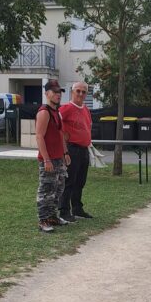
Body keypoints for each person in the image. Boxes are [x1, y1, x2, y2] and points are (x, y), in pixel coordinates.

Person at [36, 79, 70, 233]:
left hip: (59, 158)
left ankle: (52, 216)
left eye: (59, 92)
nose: (58, 95)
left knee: (58, 188)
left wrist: (65, 153)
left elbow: (61, 134)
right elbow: (39, 137)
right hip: (48, 159)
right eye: (54, 92)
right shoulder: (44, 112)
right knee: (46, 190)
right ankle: (43, 220)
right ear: (46, 93)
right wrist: (47, 159)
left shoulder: (57, 112)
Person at [59, 81, 93, 221]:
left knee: (80, 181)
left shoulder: (86, 109)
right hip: (72, 149)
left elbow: (88, 126)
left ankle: (77, 208)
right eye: (78, 91)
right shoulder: (66, 108)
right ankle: (64, 211)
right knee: (69, 181)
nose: (80, 94)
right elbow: (55, 125)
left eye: (83, 92)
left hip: (84, 149)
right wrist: (64, 149)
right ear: (72, 92)